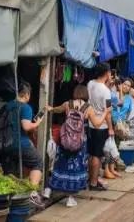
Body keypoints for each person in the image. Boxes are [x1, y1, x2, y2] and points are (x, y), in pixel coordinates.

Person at [47, 85, 111, 208]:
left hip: (65, 140)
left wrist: (50, 108)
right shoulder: (88, 108)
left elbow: (57, 109)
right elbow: (97, 124)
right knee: (75, 168)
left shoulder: (67, 104)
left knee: (60, 165)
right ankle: (70, 198)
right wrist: (105, 112)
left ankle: (49, 189)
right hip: (79, 143)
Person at [0, 82, 46, 207]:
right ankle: (32, 194)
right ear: (26, 94)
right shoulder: (25, 107)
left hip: (4, 145)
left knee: (11, 172)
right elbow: (26, 126)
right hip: (20, 144)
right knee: (37, 162)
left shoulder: (7, 106)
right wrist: (37, 123)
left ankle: (9, 201)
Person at [87, 63, 114, 191]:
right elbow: (108, 112)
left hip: (90, 123)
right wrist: (111, 128)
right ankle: (93, 182)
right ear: (107, 73)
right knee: (97, 155)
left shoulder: (90, 84)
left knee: (91, 154)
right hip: (101, 125)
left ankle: (90, 178)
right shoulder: (106, 92)